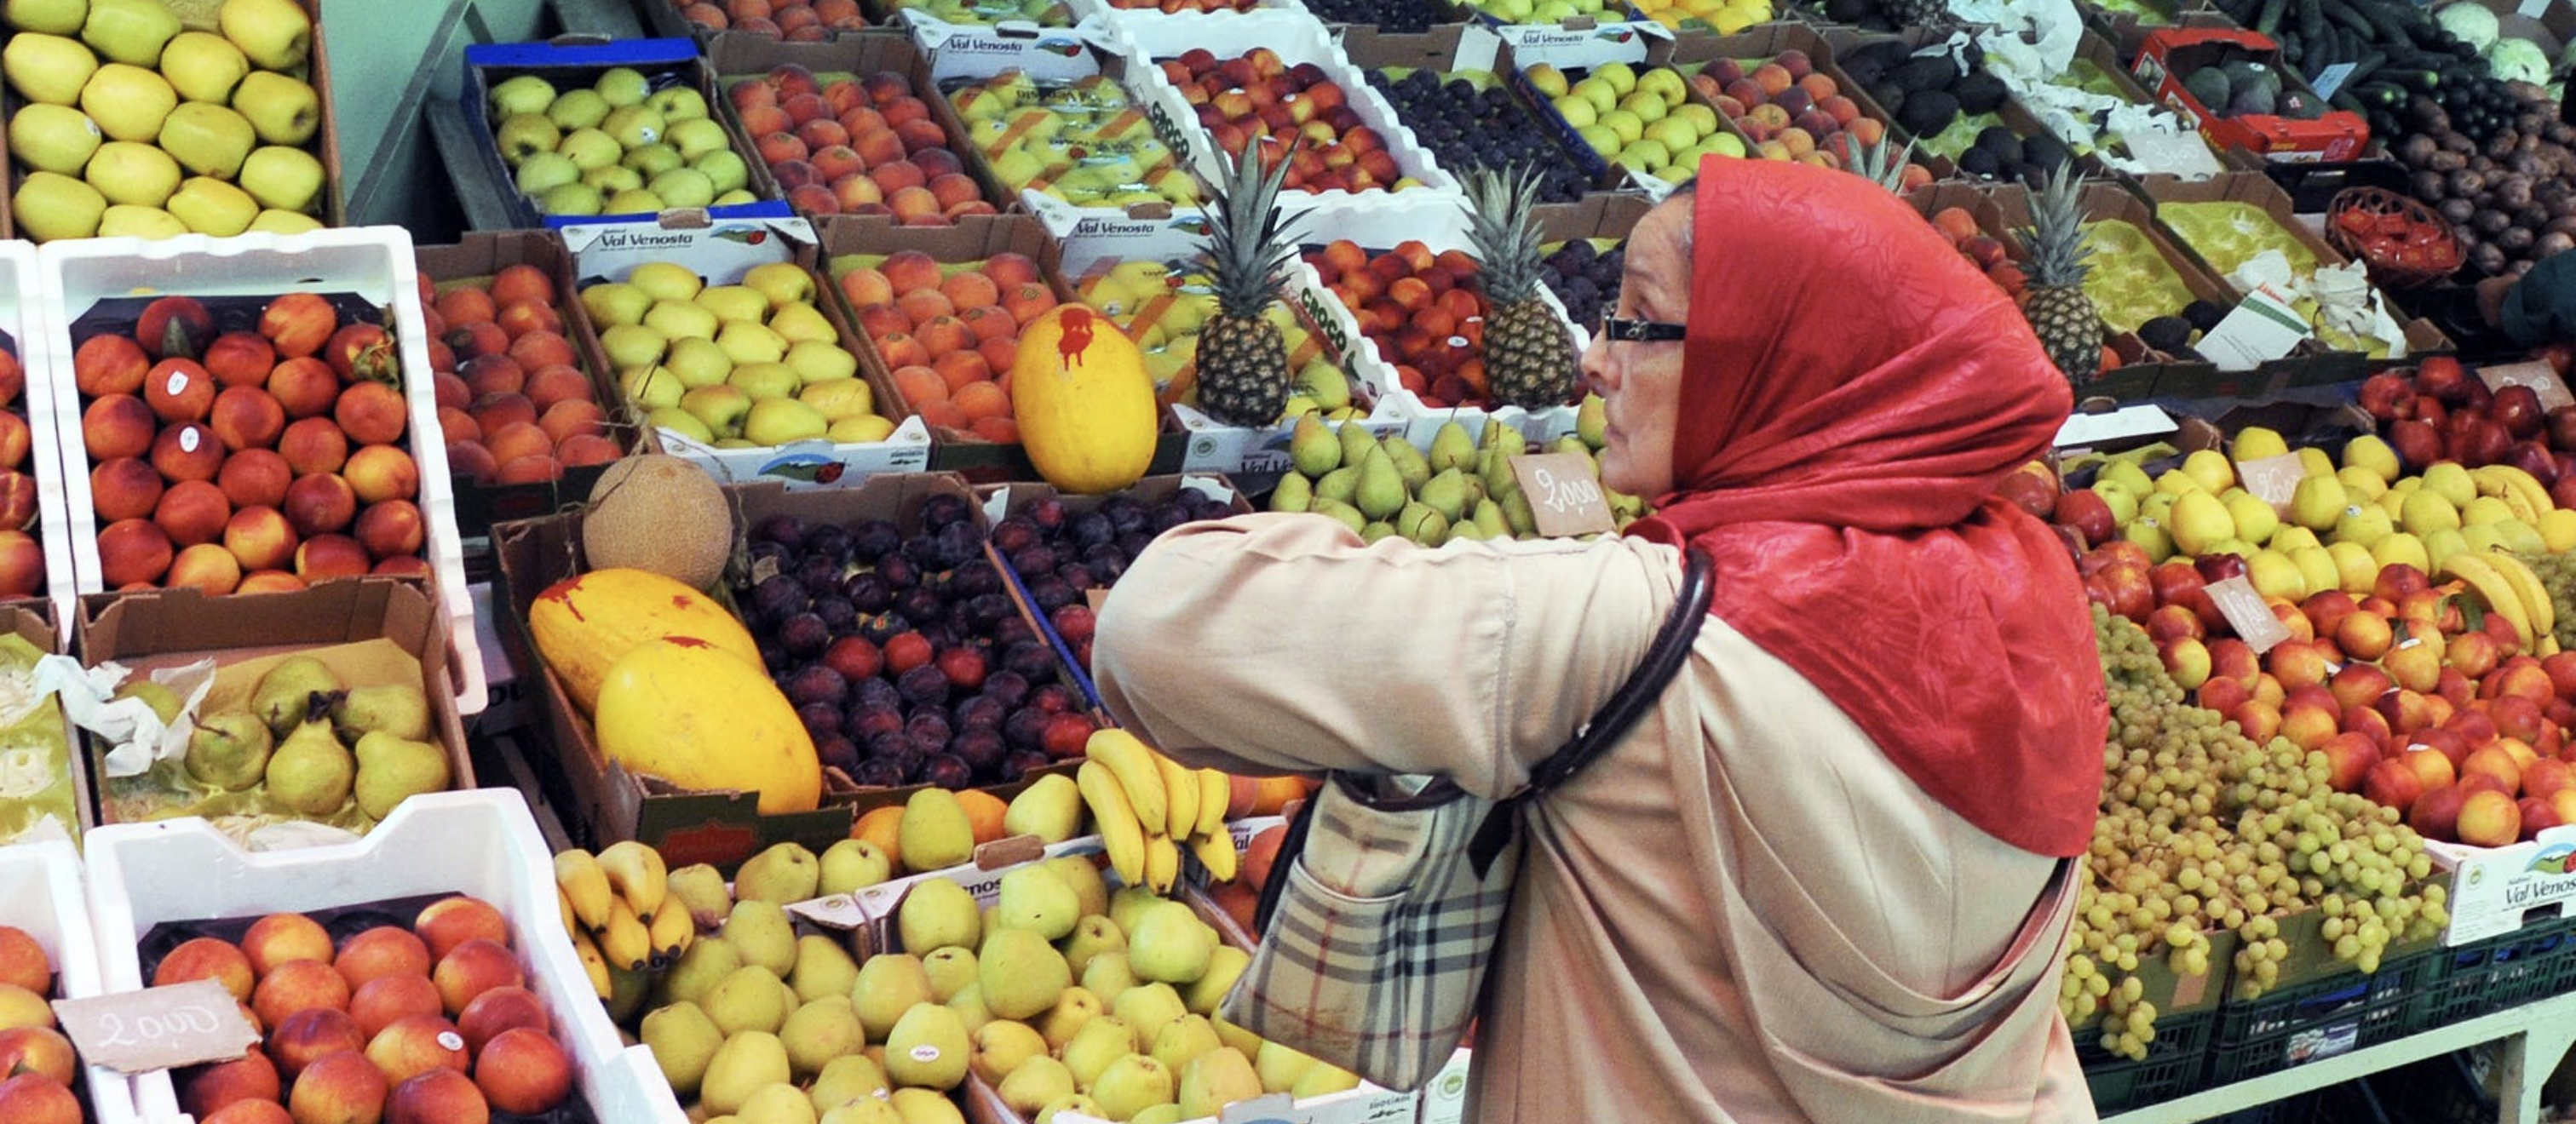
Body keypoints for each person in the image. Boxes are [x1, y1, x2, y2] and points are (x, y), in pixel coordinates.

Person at [1091, 157, 2109, 1122]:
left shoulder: (1639, 623)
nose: (1595, 356)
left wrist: (1370, 549)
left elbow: (1156, 630)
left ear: (1774, 362)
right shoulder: (2039, 597)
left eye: (1643, 321)